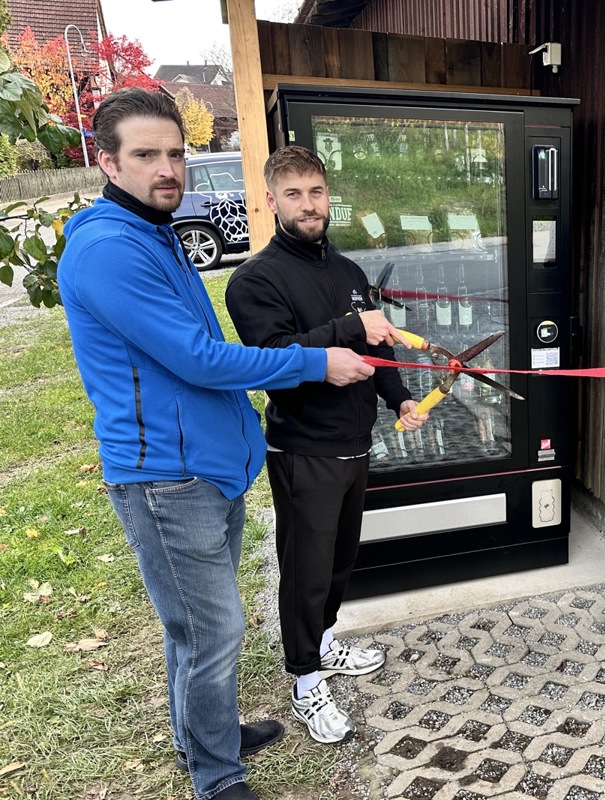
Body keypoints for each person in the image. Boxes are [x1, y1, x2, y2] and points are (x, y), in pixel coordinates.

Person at [57, 89, 375, 800]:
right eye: (146, 154)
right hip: (165, 477)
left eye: (175, 152)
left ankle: (208, 734)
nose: (167, 168)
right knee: (211, 633)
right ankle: (216, 775)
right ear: (105, 160)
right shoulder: (111, 250)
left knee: (197, 629)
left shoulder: (155, 233)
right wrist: (315, 362)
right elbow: (200, 358)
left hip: (209, 469)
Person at [225, 146, 429, 745]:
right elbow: (268, 361)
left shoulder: (348, 272)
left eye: (316, 192)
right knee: (306, 570)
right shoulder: (254, 280)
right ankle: (304, 677)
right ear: (271, 201)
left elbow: (378, 347)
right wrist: (348, 329)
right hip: (302, 451)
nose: (308, 205)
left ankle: (326, 642)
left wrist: (401, 399)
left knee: (340, 562)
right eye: (294, 194)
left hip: (354, 443)